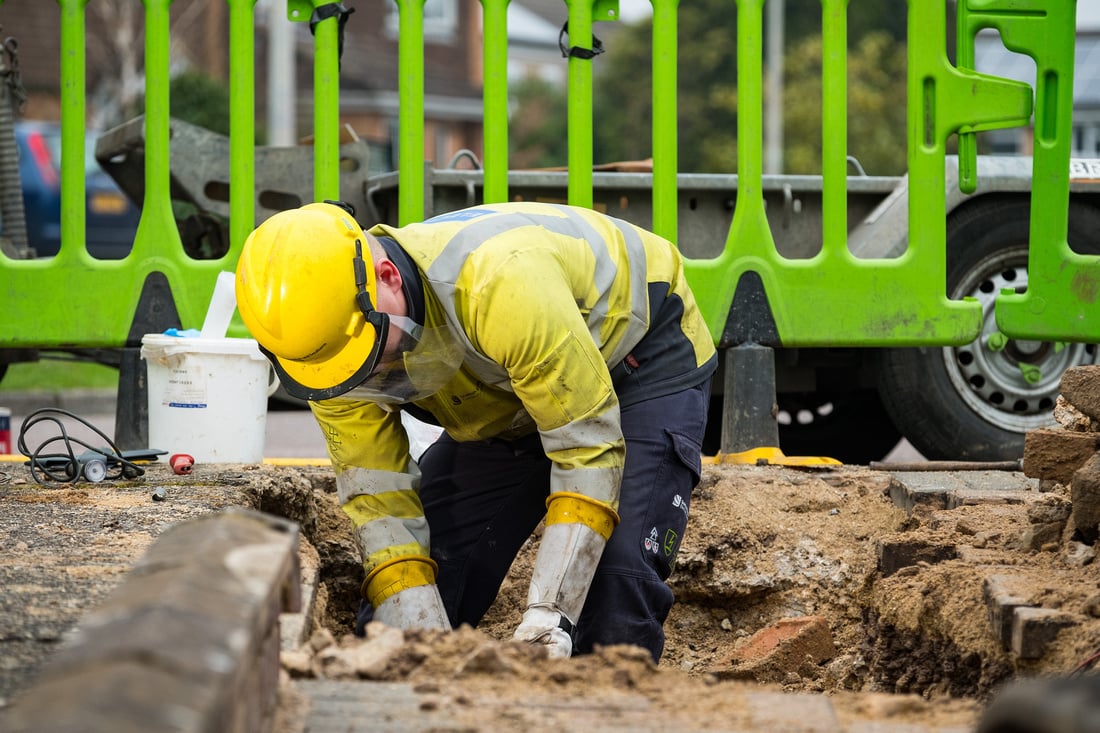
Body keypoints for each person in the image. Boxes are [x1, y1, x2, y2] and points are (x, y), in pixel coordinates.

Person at [235, 200, 717, 661]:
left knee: (615, 584)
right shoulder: (325, 357)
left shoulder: (501, 286)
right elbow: (379, 500)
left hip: (636, 355)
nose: (367, 379)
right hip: (509, 388)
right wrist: (423, 654)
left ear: (387, 278)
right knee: (409, 597)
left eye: (372, 357)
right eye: (347, 371)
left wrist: (551, 615)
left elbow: (587, 449)